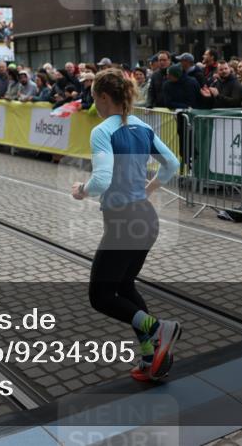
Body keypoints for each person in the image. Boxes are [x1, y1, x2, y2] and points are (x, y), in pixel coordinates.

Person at [70, 69, 181, 382]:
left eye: (95, 100)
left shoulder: (103, 131)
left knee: (100, 295)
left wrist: (82, 191)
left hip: (123, 221)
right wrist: (148, 190)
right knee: (124, 285)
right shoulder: (143, 127)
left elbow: (102, 178)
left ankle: (159, 329)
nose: (96, 106)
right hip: (146, 218)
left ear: (104, 97)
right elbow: (173, 164)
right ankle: (152, 357)